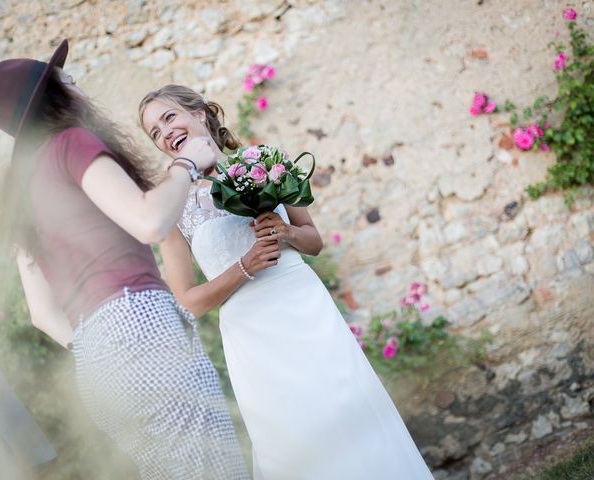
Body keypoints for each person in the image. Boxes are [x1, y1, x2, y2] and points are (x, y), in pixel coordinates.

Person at [0, 40, 249, 480]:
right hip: (139, 322)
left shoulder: (21, 194)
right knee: (214, 468)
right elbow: (149, 222)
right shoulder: (70, 143)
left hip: (96, 362)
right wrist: (185, 163)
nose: (77, 85)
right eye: (67, 80)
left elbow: (41, 314)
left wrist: (103, 344)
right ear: (55, 94)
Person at [139, 84, 435, 479]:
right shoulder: (172, 206)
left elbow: (313, 239)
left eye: (169, 117)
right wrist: (245, 266)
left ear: (200, 112)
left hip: (304, 306)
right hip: (252, 333)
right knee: (294, 438)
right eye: (154, 132)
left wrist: (286, 233)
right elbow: (189, 300)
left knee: (348, 410)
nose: (164, 132)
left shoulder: (264, 162)